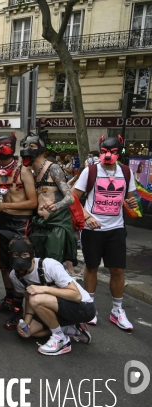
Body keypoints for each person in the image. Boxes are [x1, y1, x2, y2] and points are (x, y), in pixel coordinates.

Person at [72, 135, 138, 330]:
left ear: (119, 152)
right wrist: (87, 217)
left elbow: (130, 198)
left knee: (117, 270)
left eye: (112, 152)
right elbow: (74, 198)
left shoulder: (126, 172)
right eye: (104, 152)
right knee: (91, 267)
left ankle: (117, 311)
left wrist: (131, 203)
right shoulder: (90, 171)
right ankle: (90, 307)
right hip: (93, 229)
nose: (108, 156)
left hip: (116, 228)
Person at [8, 236, 95, 356]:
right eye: (15, 255)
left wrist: (43, 289)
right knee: (29, 333)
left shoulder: (49, 265)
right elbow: (29, 300)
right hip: (55, 307)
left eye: (25, 255)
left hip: (84, 307)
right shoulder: (14, 275)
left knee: (37, 298)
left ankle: (60, 339)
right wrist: (26, 323)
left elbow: (76, 296)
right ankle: (69, 329)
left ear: (32, 255)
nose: (20, 261)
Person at [0, 134, 37, 330]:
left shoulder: (23, 171)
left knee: (19, 265)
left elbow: (33, 203)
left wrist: (3, 207)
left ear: (13, 147)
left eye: (6, 144)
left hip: (21, 222)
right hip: (3, 221)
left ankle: (19, 309)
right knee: (4, 265)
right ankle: (9, 299)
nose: (1, 147)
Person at [20, 133, 77, 264]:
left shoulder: (53, 168)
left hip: (56, 225)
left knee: (52, 266)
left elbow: (70, 198)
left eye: (32, 146)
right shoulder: (30, 172)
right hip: (38, 224)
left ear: (41, 149)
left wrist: (56, 206)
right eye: (25, 146)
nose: (27, 148)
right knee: (37, 264)